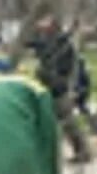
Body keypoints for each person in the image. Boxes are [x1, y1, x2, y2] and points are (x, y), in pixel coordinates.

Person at [28, 16, 90, 163]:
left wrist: (69, 87)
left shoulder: (62, 44)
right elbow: (34, 45)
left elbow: (68, 67)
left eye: (45, 25)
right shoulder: (48, 42)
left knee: (68, 122)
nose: (41, 28)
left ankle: (82, 151)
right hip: (48, 86)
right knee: (58, 121)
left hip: (59, 88)